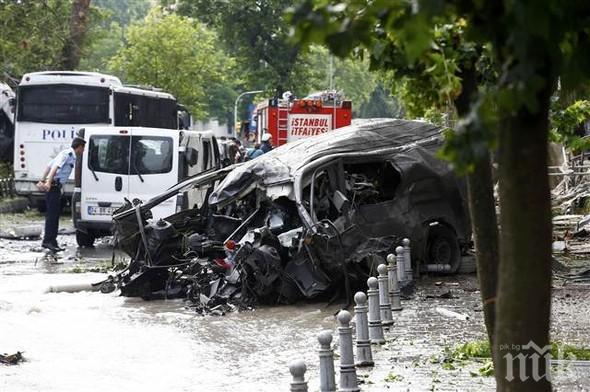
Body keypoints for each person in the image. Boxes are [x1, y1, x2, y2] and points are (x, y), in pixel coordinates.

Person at [37, 137, 86, 252]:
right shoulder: (68, 155)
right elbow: (54, 167)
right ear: (79, 147)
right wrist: (48, 182)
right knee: (52, 216)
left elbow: (49, 165)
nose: (83, 151)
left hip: (55, 187)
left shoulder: (66, 153)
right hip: (53, 186)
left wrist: (42, 180)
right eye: (83, 148)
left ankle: (52, 241)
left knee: (54, 215)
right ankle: (48, 241)